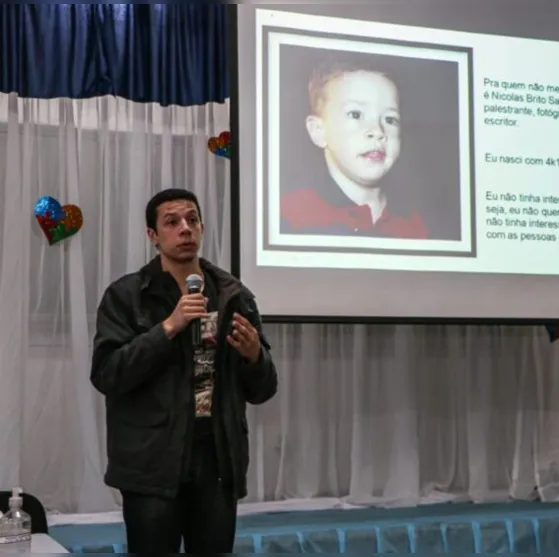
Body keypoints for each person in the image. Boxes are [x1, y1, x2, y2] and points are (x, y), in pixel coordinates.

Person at [90, 188, 278, 553]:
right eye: (172, 222)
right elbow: (107, 373)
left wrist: (255, 356)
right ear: (153, 236)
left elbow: (263, 390)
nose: (185, 228)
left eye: (192, 219)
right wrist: (168, 328)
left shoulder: (233, 296)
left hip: (217, 459)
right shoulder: (127, 295)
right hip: (152, 463)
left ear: (202, 227)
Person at [280, 60, 429, 239]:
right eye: (356, 114)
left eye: (390, 119)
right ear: (319, 131)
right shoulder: (290, 215)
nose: (378, 131)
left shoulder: (418, 223)